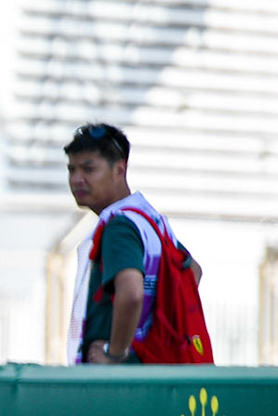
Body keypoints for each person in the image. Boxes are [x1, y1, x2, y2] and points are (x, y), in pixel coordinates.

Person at [65, 123, 201, 365]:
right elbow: (193, 271)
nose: (77, 179)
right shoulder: (149, 219)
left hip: (119, 379)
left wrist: (114, 353)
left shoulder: (119, 226)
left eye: (88, 169)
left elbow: (131, 293)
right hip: (154, 368)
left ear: (119, 169)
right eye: (71, 169)